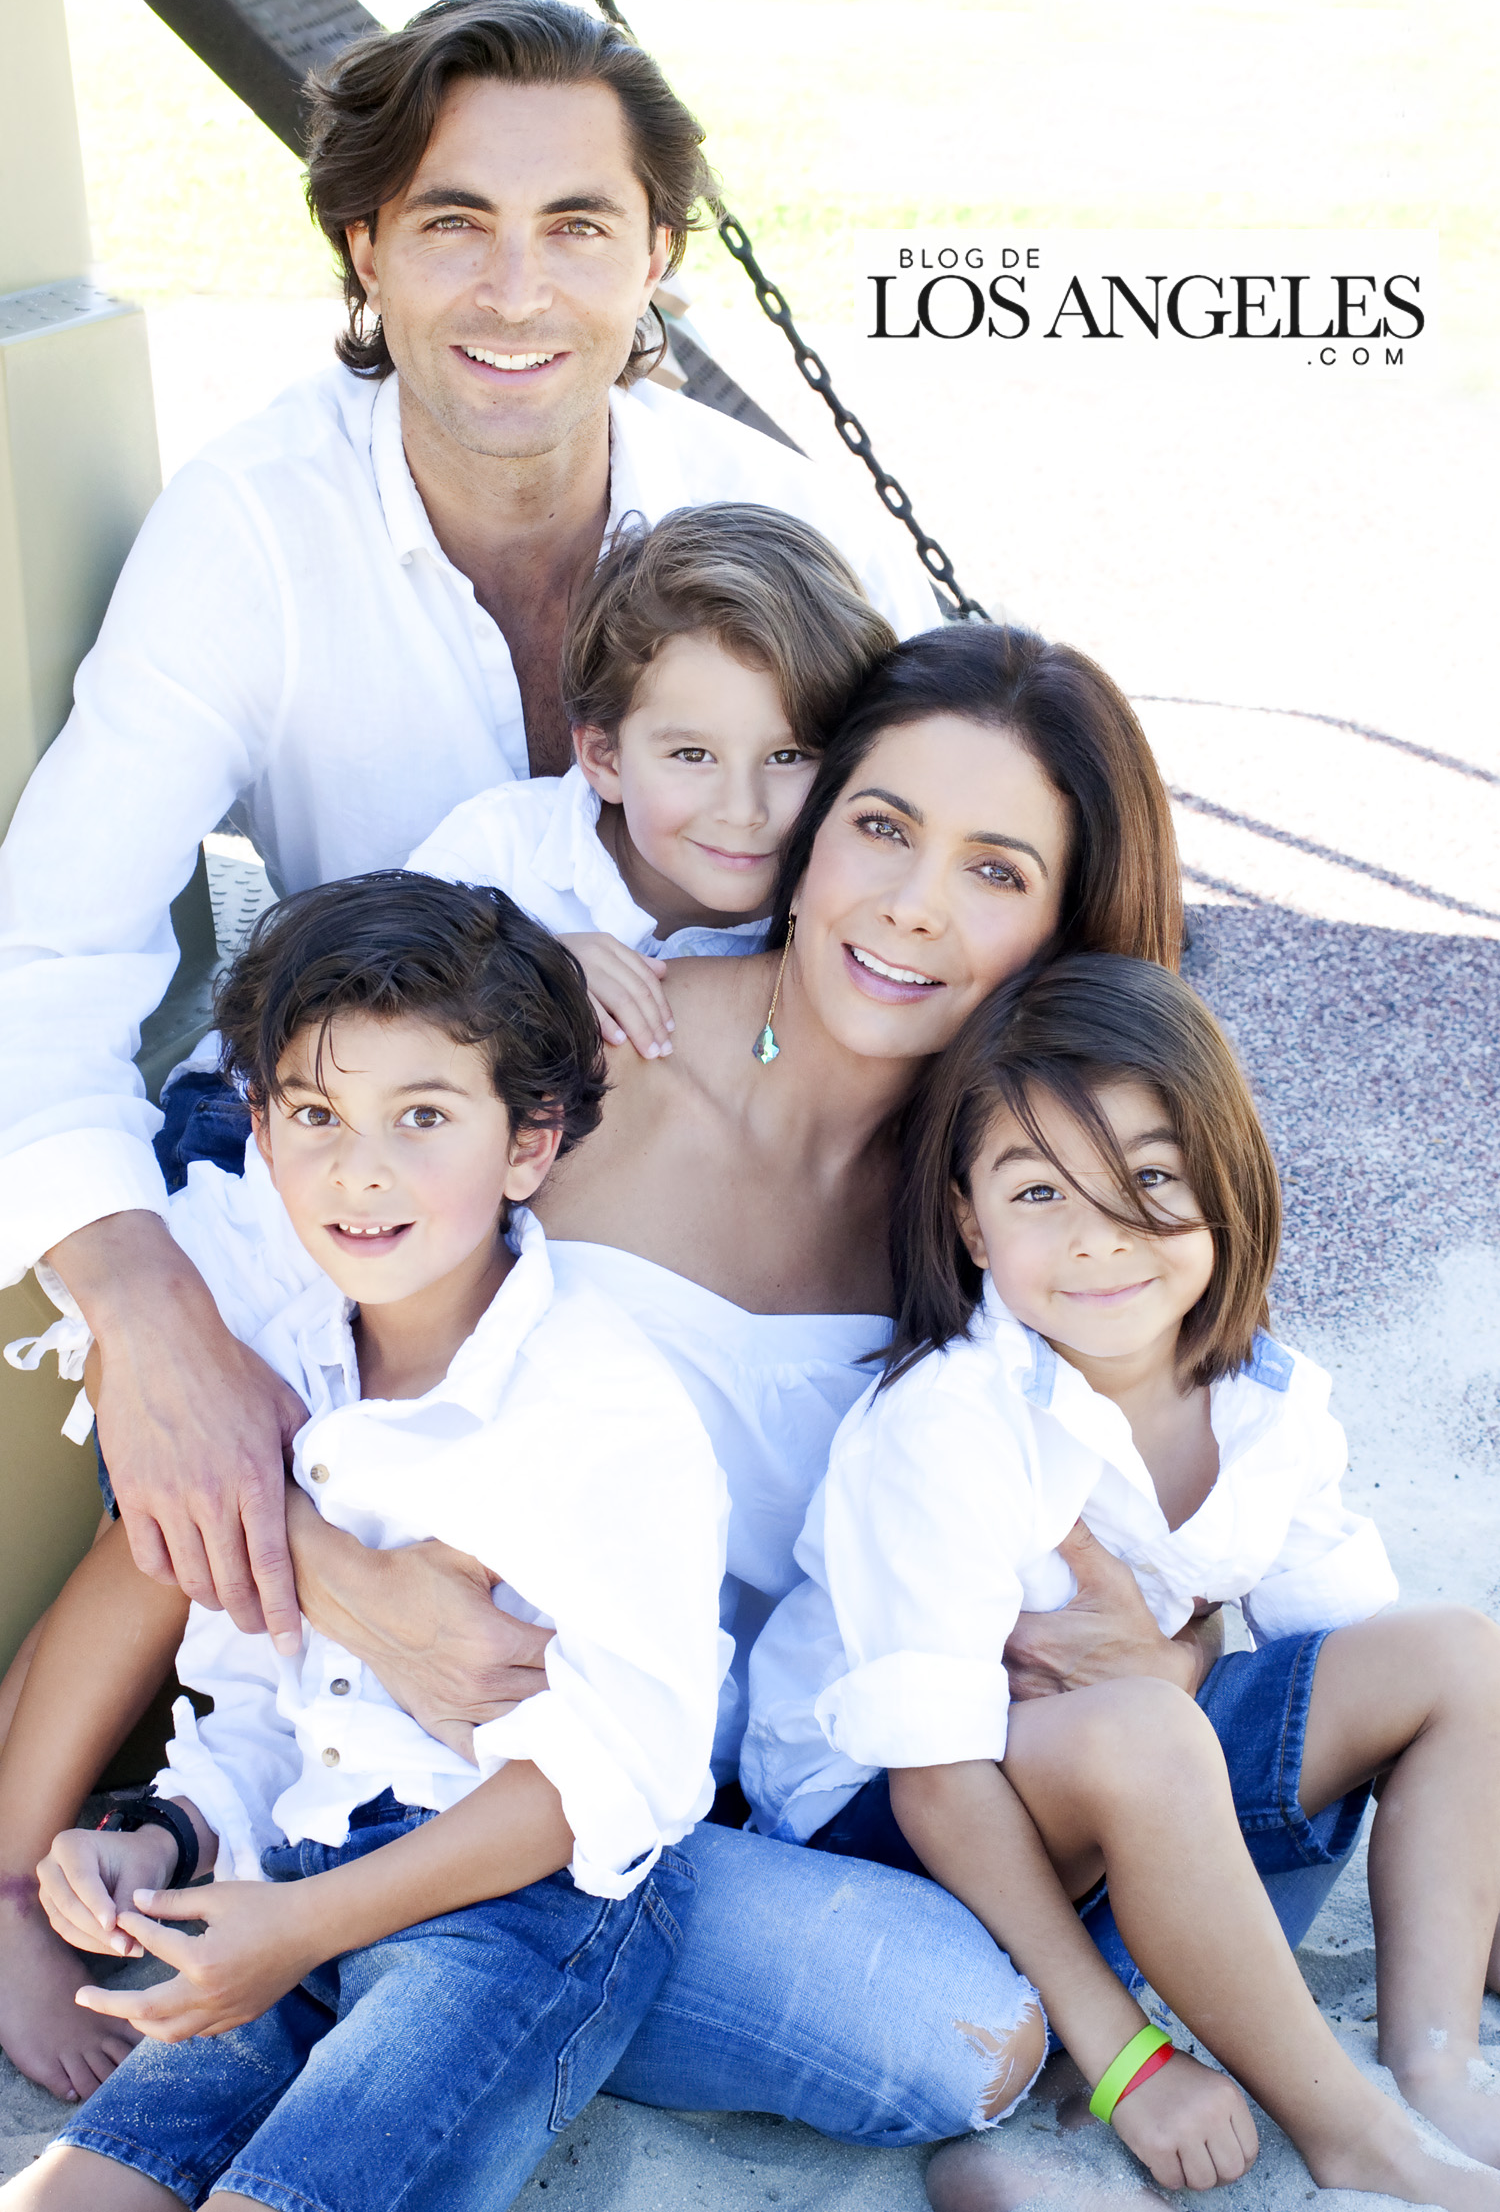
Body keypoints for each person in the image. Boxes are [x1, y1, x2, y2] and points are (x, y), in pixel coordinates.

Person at [0, 625, 1180, 2133]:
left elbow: (1184, 1447)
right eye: (883, 828)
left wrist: (1176, 1644)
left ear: (1067, 926)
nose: (913, 905)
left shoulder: (1012, 1201)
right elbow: (199, 1374)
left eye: (996, 871)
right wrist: (355, 1586)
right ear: (812, 829)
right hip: (354, 1686)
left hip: (621, 1790)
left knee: (952, 2035)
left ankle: (351, 1948)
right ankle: (84, 1886)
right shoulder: (582, 1063)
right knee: (217, 1474)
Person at [0, 0, 938, 1651]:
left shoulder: (775, 525)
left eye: (578, 226)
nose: (516, 291)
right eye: (454, 224)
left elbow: (957, 878)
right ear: (364, 248)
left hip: (711, 1188)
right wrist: (146, 1319)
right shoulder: (252, 530)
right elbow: (46, 955)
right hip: (405, 1180)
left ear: (658, 257)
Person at [3, 869, 726, 2211]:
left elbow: (612, 1777)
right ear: (260, 1130)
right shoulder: (290, 1366)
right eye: (317, 1115)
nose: (361, 1168)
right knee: (73, 2196)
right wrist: (161, 1836)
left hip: (518, 1917)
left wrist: (300, 1926)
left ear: (530, 1143)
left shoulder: (599, 1405)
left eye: (425, 1116)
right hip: (300, 1874)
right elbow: (266, 1700)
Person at [745, 952, 1500, 2209]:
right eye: (1040, 1191)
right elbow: (934, 1778)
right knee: (1147, 1729)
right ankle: (1339, 2129)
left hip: (1120, 1794)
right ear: (971, 1223)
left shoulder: (1263, 1405)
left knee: (1455, 1655)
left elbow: (1362, 1677)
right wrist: (1132, 2065)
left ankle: (1431, 2063)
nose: (1099, 1237)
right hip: (891, 1832)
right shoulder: (948, 1424)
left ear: (1225, 1181)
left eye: (1150, 1178)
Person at [408, 501, 896, 1060]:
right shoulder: (498, 850)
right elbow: (368, 993)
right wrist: (522, 970)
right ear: (605, 759)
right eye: (693, 755)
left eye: (789, 756)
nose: (743, 810)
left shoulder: (846, 911)